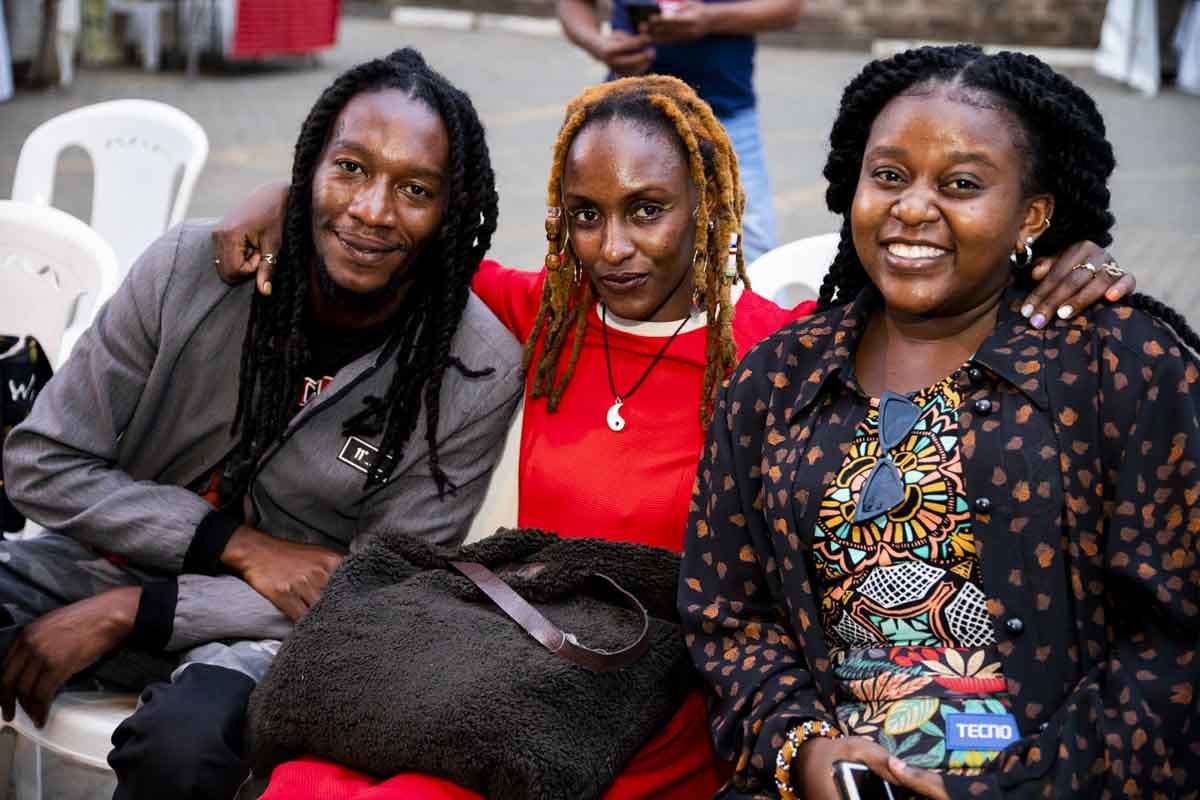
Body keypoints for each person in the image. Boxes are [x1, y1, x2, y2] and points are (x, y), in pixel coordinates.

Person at [215, 73, 1132, 799]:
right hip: (524, 669)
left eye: (646, 209)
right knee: (302, 777)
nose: (612, 247)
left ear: (708, 205)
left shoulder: (779, 352)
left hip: (664, 698)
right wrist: (284, 199)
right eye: (586, 214)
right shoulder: (552, 315)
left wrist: (1062, 262)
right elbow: (404, 238)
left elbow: (943, 315)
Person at [680, 44, 1199, 800]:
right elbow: (727, 615)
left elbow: (1174, 642)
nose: (913, 208)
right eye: (889, 176)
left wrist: (1019, 787)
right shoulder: (777, 380)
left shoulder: (1119, 365)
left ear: (1032, 215)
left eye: (961, 184)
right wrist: (806, 752)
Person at [0, 48, 523, 800]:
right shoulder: (189, 268)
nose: (373, 210)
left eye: (415, 189)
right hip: (112, 559)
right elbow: (41, 462)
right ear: (309, 170)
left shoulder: (475, 373)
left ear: (450, 212)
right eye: (350, 168)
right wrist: (233, 545)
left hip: (273, 630)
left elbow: (376, 589)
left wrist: (136, 613)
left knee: (182, 750)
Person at [556, 0, 802, 261]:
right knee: (612, 246)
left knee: (749, 251)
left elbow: (788, 7)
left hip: (725, 117)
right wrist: (599, 44)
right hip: (627, 118)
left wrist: (711, 18)